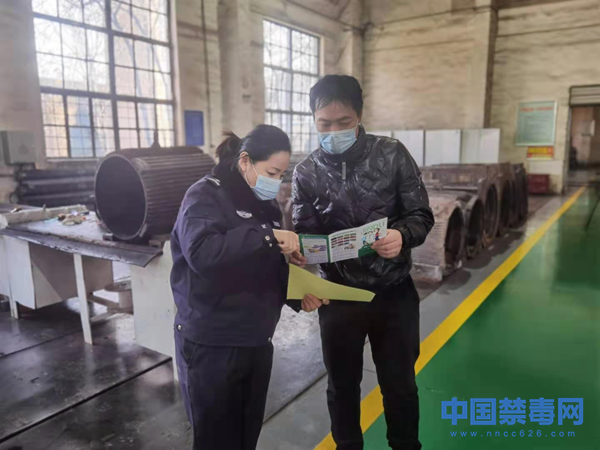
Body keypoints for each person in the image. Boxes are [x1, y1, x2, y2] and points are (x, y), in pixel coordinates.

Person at [291, 75, 434, 450]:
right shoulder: (306, 172)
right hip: (338, 296)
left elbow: (420, 214)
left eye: (343, 122)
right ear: (313, 119)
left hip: (393, 293)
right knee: (342, 387)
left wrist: (402, 235)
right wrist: (302, 250)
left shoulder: (392, 154)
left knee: (400, 385)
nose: (333, 132)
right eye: (324, 124)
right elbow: (305, 230)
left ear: (359, 116)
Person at [170, 124, 324, 450]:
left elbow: (261, 264)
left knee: (245, 435)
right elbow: (204, 254)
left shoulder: (263, 203)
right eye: (271, 173)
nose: (276, 182)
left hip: (255, 341)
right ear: (245, 161)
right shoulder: (204, 196)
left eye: (281, 175)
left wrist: (295, 293)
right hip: (212, 344)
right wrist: (268, 237)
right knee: (214, 439)